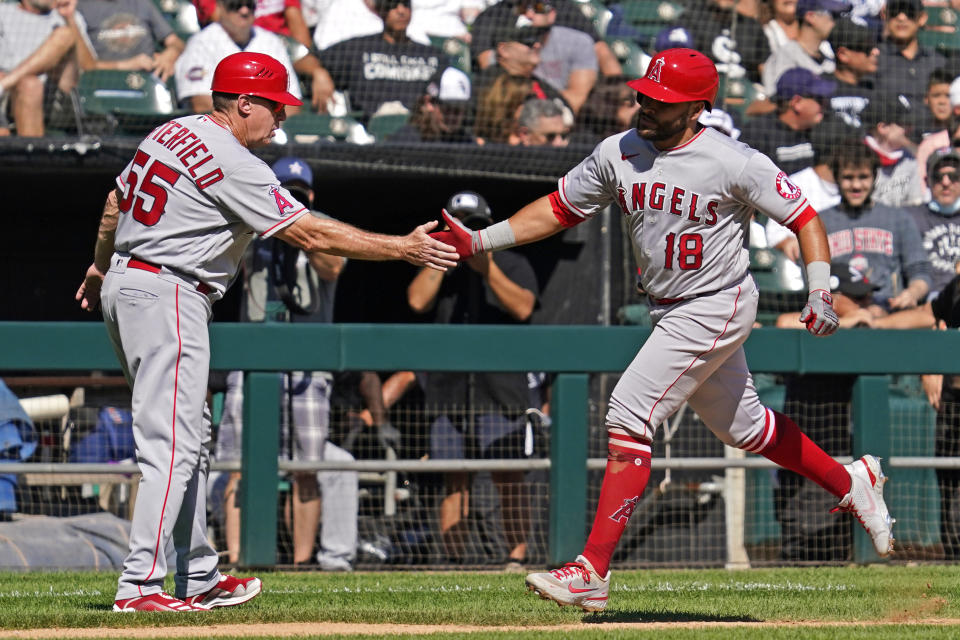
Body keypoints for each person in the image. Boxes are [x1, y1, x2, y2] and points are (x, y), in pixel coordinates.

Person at [430, 48, 894, 612]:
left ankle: (591, 572)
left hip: (716, 299)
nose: (646, 104)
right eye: (644, 94)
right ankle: (852, 483)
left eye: (662, 100)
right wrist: (481, 241)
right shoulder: (618, 151)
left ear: (699, 107)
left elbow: (804, 217)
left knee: (628, 412)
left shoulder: (732, 159)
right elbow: (557, 208)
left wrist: (819, 289)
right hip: (668, 307)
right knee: (743, 427)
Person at [74, 52, 456, 612]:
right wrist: (402, 247)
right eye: (274, 108)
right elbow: (312, 237)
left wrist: (100, 264)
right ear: (244, 102)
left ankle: (199, 573)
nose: (281, 120)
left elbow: (113, 206)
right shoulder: (235, 159)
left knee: (192, 439)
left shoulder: (169, 130)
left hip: (130, 283)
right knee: (174, 445)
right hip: (168, 291)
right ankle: (140, 586)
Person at [214, 156, 359, 571]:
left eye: (300, 191)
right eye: (285, 189)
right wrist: (262, 216)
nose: (293, 196)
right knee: (239, 463)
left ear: (311, 196)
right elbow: (221, 265)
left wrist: (299, 224)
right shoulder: (251, 223)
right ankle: (240, 560)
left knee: (306, 466)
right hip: (252, 358)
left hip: (307, 365)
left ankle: (299, 564)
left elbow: (333, 268)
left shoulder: (319, 225)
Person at [408, 190, 539, 570]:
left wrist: (487, 268)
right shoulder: (440, 265)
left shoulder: (512, 262)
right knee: (455, 479)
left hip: (501, 389)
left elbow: (524, 307)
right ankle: (454, 560)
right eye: (458, 225)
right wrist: (445, 254)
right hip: (450, 389)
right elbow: (416, 302)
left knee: (510, 477)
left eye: (474, 226)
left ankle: (517, 557)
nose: (467, 233)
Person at [772, 259, 881, 561]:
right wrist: (851, 317)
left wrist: (863, 315)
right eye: (857, 297)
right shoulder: (818, 319)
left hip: (840, 448)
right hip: (802, 444)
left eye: (867, 296)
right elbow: (783, 323)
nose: (867, 303)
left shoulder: (867, 323)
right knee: (800, 532)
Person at [873, 274, 960, 559]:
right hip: (953, 405)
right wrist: (875, 325)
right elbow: (926, 314)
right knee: (950, 490)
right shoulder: (956, 287)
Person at [819, 142, 931, 310]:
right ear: (836, 178)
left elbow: (920, 270)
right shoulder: (820, 222)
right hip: (837, 311)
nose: (856, 185)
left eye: (863, 177)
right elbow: (812, 278)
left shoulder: (898, 218)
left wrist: (912, 293)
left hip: (888, 309)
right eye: (848, 178)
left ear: (874, 177)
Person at [174, 0, 329, 113]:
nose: (244, 11)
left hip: (270, 137)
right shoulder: (201, 43)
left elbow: (291, 105)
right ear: (220, 7)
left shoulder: (270, 41)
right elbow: (201, 105)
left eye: (250, 5)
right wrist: (257, 119)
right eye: (236, 5)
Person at [311, 0, 446, 121]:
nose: (401, 11)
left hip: (418, 132)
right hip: (368, 134)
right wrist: (318, 72)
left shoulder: (432, 55)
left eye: (406, 4)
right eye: (393, 5)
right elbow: (303, 58)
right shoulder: (357, 49)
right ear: (381, 10)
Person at [469, 0, 620, 77]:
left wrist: (617, 87)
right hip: (511, 85)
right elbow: (485, 60)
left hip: (563, 85)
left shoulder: (562, 8)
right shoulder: (493, 15)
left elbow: (600, 50)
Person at [0, 0, 82, 137]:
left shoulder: (68, 17)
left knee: (66, 34)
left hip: (55, 92)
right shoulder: (4, 12)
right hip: (11, 94)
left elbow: (90, 66)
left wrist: (69, 18)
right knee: (30, 85)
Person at [739, 67, 835, 175]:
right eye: (819, 99)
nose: (825, 104)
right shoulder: (756, 133)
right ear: (797, 102)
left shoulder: (824, 129)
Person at [76, 0, 184, 82]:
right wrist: (127, 65)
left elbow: (175, 42)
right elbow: (85, 64)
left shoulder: (142, 3)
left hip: (149, 78)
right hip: (107, 80)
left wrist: (170, 53)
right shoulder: (81, 8)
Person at [760, 0, 847, 98]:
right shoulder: (786, 55)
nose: (836, 23)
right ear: (810, 17)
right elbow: (776, 101)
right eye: (833, 16)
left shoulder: (829, 60)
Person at [906, 147, 960, 296]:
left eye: (954, 176)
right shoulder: (910, 218)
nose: (946, 182)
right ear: (927, 181)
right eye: (938, 176)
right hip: (927, 301)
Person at [875, 0, 950, 106]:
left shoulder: (938, 63)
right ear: (884, 15)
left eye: (909, 12)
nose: (901, 17)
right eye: (894, 12)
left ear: (922, 18)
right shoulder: (873, 60)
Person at [860, 95, 925, 208]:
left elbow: (916, 204)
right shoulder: (856, 157)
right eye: (904, 124)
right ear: (883, 127)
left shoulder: (910, 159)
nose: (911, 128)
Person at [388, 65, 474, 143]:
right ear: (429, 103)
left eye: (459, 109)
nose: (453, 116)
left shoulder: (467, 143)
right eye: (448, 108)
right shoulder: (406, 140)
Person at [824, 16, 879, 129]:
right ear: (843, 54)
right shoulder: (819, 89)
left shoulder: (877, 88)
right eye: (867, 47)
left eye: (874, 44)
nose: (876, 51)